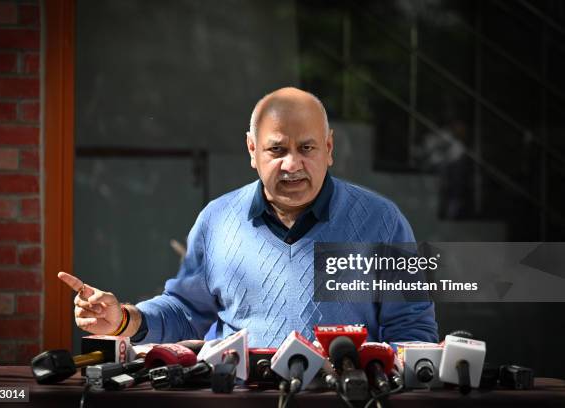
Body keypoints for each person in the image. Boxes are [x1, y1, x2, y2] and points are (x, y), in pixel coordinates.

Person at [59, 87, 438, 347]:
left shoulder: (381, 221)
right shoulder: (217, 220)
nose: (293, 164)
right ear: (252, 150)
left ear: (329, 147)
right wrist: (124, 320)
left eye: (307, 147)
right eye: (277, 149)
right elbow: (187, 312)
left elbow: (411, 330)